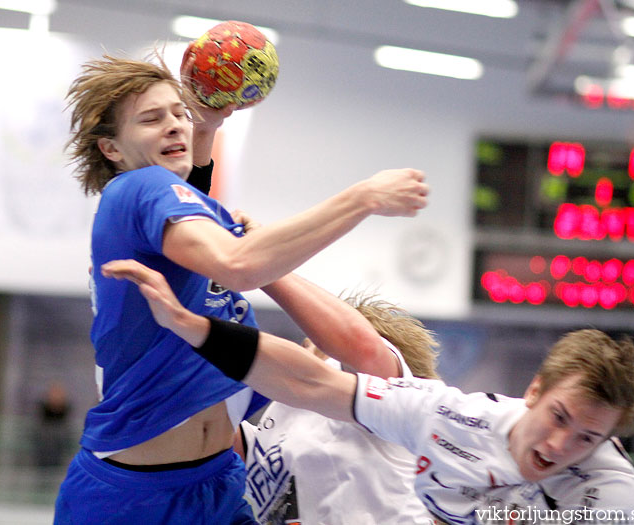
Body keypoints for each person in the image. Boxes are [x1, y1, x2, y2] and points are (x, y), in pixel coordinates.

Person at [54, 51, 428, 525]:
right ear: (112, 149)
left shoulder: (167, 212)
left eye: (178, 113)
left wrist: (205, 127)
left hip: (218, 482)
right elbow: (238, 264)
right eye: (152, 119)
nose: (174, 125)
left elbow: (197, 208)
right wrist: (363, 197)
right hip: (134, 499)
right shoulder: (137, 188)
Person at [101, 259, 634, 524]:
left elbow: (361, 352)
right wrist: (196, 319)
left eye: (586, 436)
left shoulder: (608, 487)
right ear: (534, 393)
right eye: (560, 419)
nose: (562, 444)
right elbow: (316, 377)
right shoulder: (439, 415)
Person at [239, 273, 439, 524]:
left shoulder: (391, 404)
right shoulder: (277, 429)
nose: (303, 347)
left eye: (316, 343)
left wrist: (260, 270)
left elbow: (363, 348)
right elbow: (204, 435)